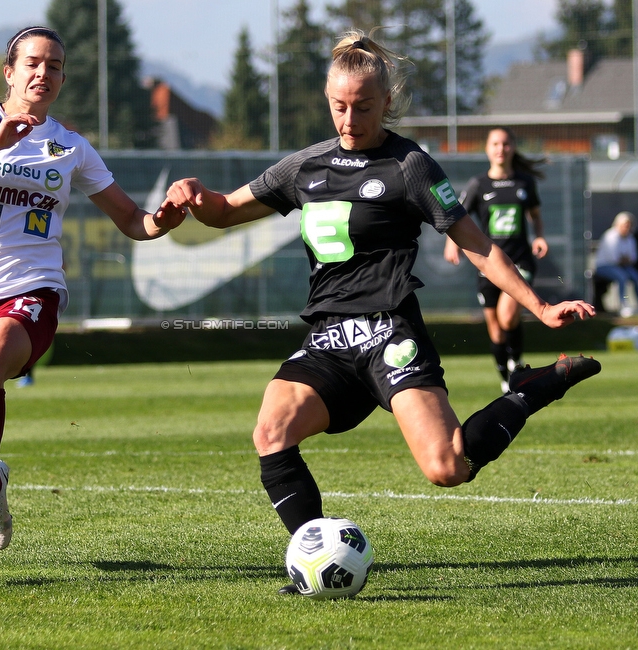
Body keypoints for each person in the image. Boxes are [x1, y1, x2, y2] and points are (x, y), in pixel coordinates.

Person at [164, 29, 600, 596]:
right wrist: (198, 198)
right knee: (271, 431)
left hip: (391, 331)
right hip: (328, 338)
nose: (349, 119)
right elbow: (225, 213)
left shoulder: (410, 166)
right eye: (339, 107)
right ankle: (315, 566)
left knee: (448, 467)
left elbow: (475, 242)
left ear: (386, 102)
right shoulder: (303, 168)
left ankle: (535, 387)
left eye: (363, 107)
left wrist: (539, 307)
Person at [0, 25, 185, 560]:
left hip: (29, 289)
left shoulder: (71, 147)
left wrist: (164, 221)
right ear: (9, 72)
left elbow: (132, 219)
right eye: (33, 63)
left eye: (55, 66)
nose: (44, 73)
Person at [443, 126, 547, 393]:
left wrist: (539, 237)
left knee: (507, 316)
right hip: (488, 263)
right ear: (488, 149)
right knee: (495, 329)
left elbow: (535, 215)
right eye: (495, 144)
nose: (501, 149)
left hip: (520, 261)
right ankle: (505, 378)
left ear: (513, 147)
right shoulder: (479, 185)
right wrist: (451, 244)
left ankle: (516, 362)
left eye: (505, 144)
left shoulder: (525, 183)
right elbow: (457, 217)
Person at [594, 211, 638, 317]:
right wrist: (624, 259)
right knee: (622, 277)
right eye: (624, 225)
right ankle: (623, 305)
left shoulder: (630, 238)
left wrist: (624, 260)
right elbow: (613, 259)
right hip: (604, 266)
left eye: (628, 225)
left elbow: (633, 258)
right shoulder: (610, 236)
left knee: (636, 277)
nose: (626, 228)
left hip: (621, 267)